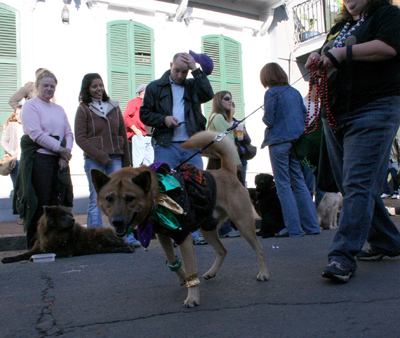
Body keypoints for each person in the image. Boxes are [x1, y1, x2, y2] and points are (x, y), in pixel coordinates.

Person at [305, 0, 400, 282]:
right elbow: (328, 55)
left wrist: (341, 54)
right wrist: (317, 55)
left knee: (358, 182)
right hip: (336, 111)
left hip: (374, 106)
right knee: (355, 183)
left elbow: (389, 47)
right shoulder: (339, 27)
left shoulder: (387, 14)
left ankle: (342, 256)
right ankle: (388, 240)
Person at [140, 52, 214, 244]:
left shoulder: (192, 85)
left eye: (184, 72)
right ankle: (172, 231)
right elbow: (145, 114)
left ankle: (195, 232)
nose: (180, 75)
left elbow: (208, 94)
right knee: (167, 188)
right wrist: (163, 119)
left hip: (190, 143)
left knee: (196, 187)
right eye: (177, 70)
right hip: (165, 144)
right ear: (170, 65)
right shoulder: (155, 87)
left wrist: (197, 70)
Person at [260, 62, 321, 238]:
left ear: (267, 77)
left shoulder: (270, 93)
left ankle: (294, 229)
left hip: (279, 142)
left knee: (283, 186)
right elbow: (304, 114)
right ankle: (312, 226)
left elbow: (269, 120)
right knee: (300, 183)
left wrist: (265, 115)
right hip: (297, 142)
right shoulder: (294, 92)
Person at [15, 69, 74, 249]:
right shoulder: (30, 106)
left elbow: (68, 133)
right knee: (40, 205)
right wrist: (61, 150)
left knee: (58, 204)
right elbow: (36, 135)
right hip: (40, 162)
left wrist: (65, 155)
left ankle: (54, 245)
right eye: (45, 85)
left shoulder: (59, 109)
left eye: (52, 86)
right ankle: (35, 247)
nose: (49, 89)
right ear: (37, 86)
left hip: (59, 161)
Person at [74, 73, 131, 232]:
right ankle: (95, 235)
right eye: (94, 86)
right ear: (87, 89)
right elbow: (80, 138)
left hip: (116, 158)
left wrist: (126, 163)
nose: (99, 89)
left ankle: (126, 235)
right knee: (96, 197)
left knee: (121, 195)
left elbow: (122, 135)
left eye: (100, 85)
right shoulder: (83, 109)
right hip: (94, 160)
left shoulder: (114, 106)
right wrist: (99, 155)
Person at [206, 91, 243, 238]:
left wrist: (238, 131)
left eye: (231, 98)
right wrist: (238, 162)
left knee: (218, 195)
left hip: (215, 161)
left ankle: (220, 228)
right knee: (226, 195)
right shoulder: (219, 117)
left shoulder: (216, 118)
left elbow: (233, 138)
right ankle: (224, 228)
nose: (230, 101)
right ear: (218, 102)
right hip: (223, 162)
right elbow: (228, 142)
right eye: (226, 98)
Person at [123, 84, 154, 168]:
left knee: (150, 163)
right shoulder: (134, 102)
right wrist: (136, 131)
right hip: (140, 135)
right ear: (144, 92)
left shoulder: (150, 103)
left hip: (150, 136)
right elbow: (126, 117)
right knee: (138, 162)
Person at [1, 105, 23, 189]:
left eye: (20, 114)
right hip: (16, 161)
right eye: (17, 114)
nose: (18, 116)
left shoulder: (29, 126)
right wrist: (13, 154)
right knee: (17, 187)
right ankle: (17, 202)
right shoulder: (11, 125)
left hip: (28, 160)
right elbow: (3, 141)